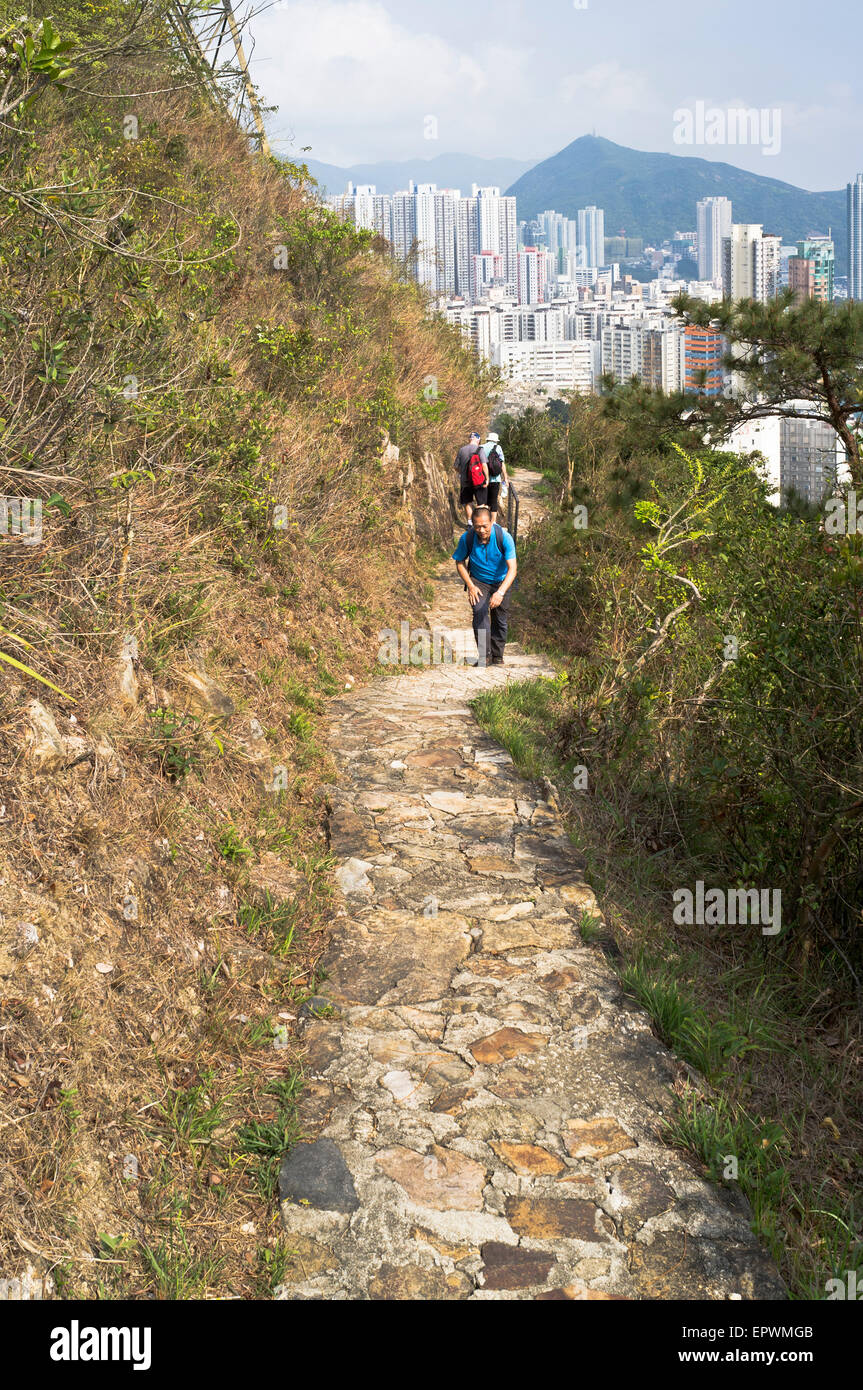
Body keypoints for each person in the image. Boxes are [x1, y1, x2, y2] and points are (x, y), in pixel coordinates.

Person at [452, 506, 517, 667]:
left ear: (492, 522)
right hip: (479, 581)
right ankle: (485, 657)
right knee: (479, 611)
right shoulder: (467, 538)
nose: (481, 530)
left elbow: (513, 569)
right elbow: (459, 562)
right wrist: (470, 585)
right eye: (477, 526)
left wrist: (500, 592)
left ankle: (497, 656)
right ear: (472, 524)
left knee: (500, 618)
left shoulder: (504, 538)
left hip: (501, 581)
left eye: (485, 526)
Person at [453, 430, 488, 522]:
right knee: (481, 503)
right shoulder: (480, 449)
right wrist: (487, 479)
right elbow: (484, 465)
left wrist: (462, 472)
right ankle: (479, 522)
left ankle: (470, 522)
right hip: (479, 481)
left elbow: (455, 466)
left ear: (469, 440)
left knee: (468, 502)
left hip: (465, 481)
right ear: (478, 440)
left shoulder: (461, 450)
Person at [483, 431, 508, 524]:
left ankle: (484, 520)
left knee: (483, 501)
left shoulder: (481, 447)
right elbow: (502, 464)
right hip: (495, 479)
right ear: (496, 440)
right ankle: (493, 522)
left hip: (483, 479)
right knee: (493, 501)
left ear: (488, 439)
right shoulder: (498, 448)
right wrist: (505, 478)